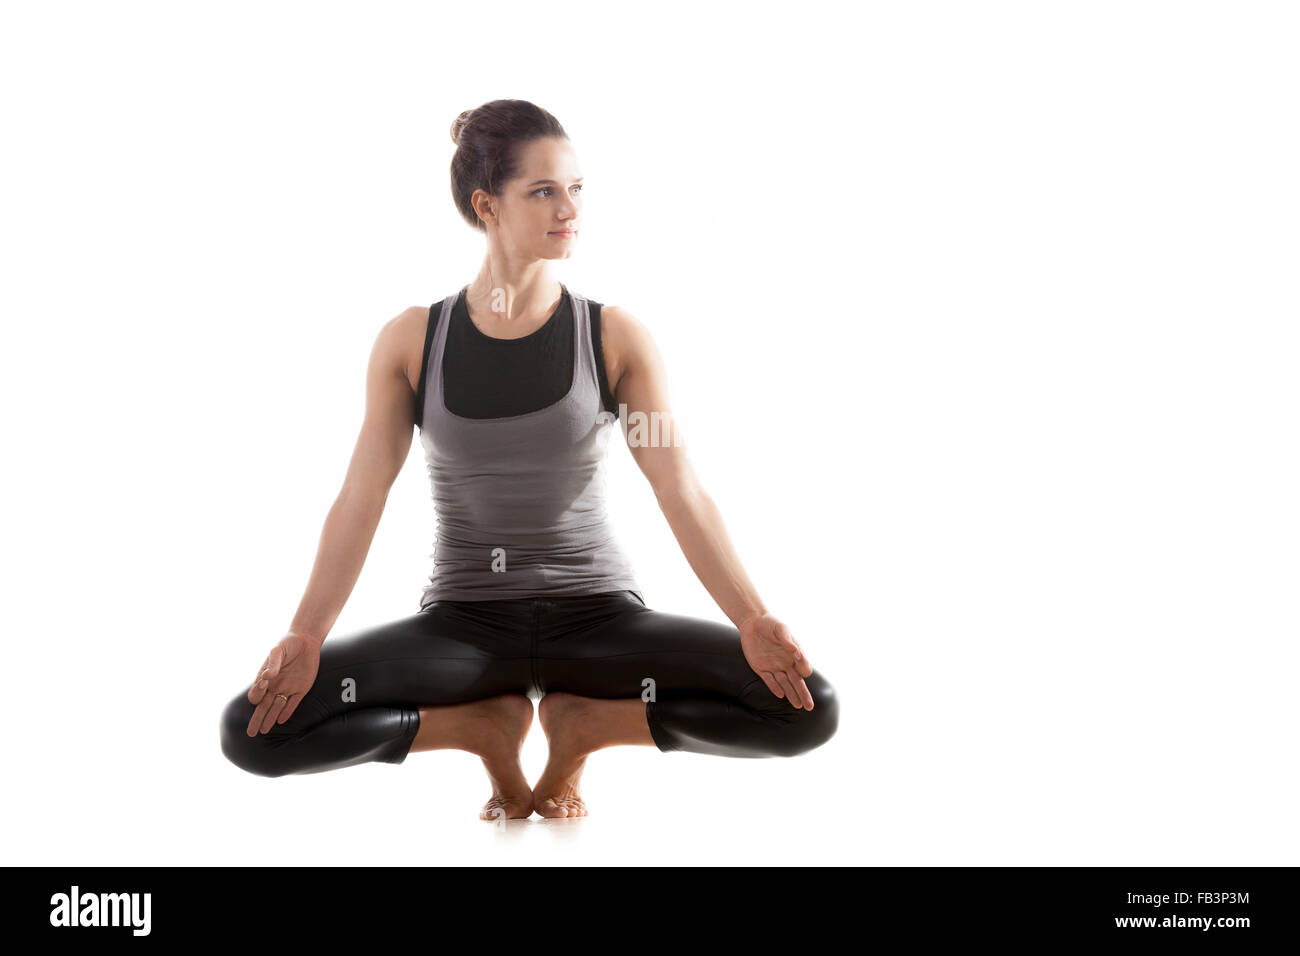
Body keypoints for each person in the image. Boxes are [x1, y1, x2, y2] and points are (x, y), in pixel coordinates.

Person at [219, 99, 838, 819]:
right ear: (487, 204)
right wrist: (306, 635)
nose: (569, 208)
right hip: (464, 628)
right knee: (256, 729)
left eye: (576, 188)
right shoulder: (412, 341)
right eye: (543, 191)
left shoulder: (613, 336)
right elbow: (361, 497)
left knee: (804, 707)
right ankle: (477, 726)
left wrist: (752, 618)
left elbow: (681, 488)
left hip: (597, 622)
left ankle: (589, 726)